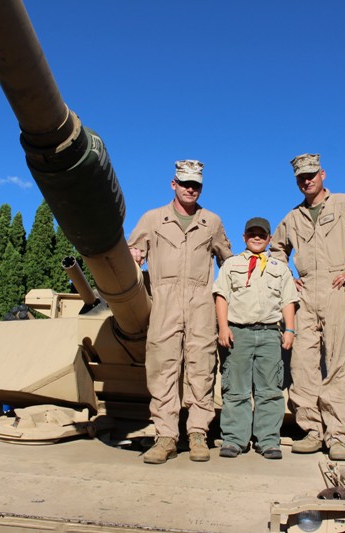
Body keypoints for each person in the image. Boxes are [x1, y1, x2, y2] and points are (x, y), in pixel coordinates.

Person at [271, 153, 345, 461]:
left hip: (338, 287)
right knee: (301, 363)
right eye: (301, 177)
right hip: (306, 291)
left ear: (322, 174)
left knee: (338, 363)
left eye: (311, 174)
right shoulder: (292, 217)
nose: (306, 180)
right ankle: (311, 430)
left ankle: (337, 434)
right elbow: (277, 249)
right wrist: (287, 277)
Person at [128, 159, 232, 464]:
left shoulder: (211, 221)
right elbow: (135, 253)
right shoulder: (152, 219)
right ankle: (165, 436)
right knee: (162, 368)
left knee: (201, 367)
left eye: (196, 185)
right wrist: (133, 254)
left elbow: (227, 261)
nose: (190, 189)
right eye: (185, 183)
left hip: (201, 301)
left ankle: (198, 433)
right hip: (164, 300)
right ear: (173, 184)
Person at [213, 217, 298, 460]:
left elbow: (288, 300)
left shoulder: (279, 268)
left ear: (270, 239)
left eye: (262, 234)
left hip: (271, 333)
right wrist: (223, 327)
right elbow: (221, 296)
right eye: (252, 233)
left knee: (270, 390)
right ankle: (234, 439)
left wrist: (289, 330)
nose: (257, 237)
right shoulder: (231, 265)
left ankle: (268, 441)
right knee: (235, 388)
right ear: (244, 237)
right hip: (238, 332)